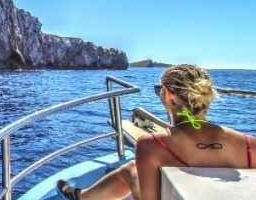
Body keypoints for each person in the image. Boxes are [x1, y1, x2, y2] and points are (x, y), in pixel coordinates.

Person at [56, 64, 253, 200]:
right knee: (131, 168)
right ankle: (81, 196)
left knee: (131, 171)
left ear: (167, 94)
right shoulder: (249, 145)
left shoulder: (151, 145)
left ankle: (80, 197)